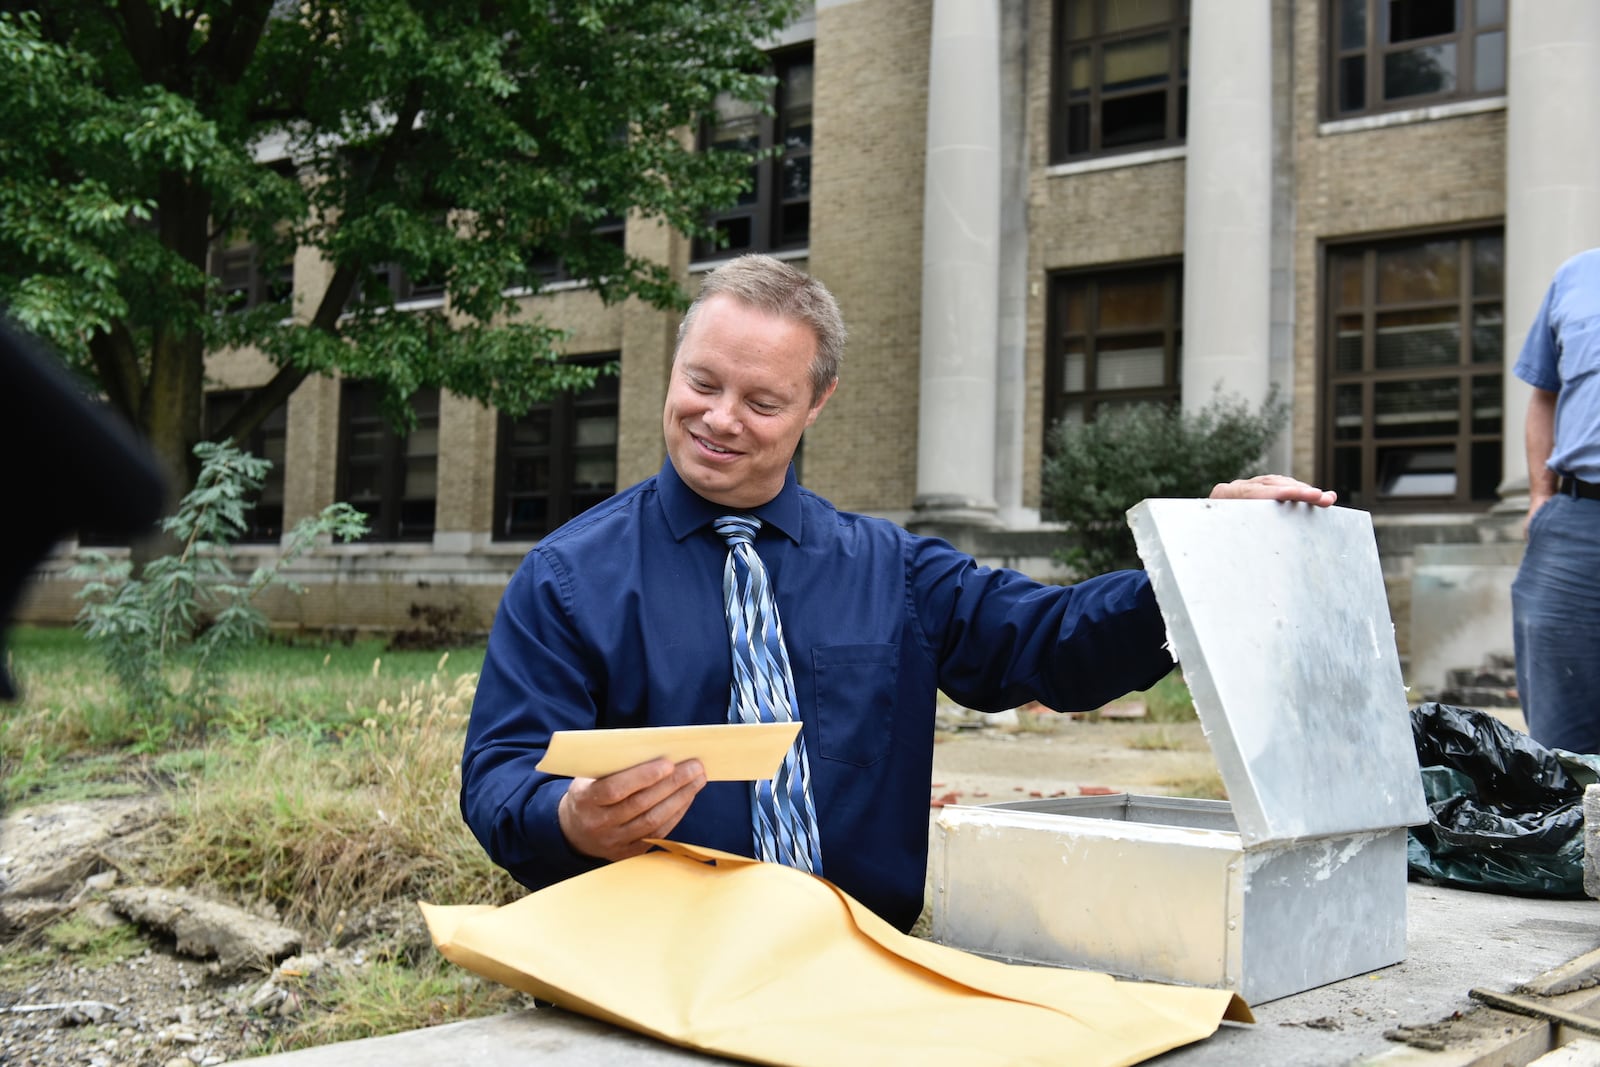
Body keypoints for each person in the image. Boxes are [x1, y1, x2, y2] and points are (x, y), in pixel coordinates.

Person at [460, 254, 1335, 931]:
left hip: (855, 965)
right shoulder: (568, 578)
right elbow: (500, 776)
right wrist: (571, 818)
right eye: (701, 383)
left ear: (818, 403)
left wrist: (1197, 566)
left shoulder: (896, 572)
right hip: (640, 966)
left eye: (762, 400)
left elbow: (1051, 641)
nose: (720, 418)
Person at [1510, 247, 1600, 755]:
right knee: (1563, 745)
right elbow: (1544, 394)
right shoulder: (1577, 276)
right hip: (1577, 522)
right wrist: (1540, 494)